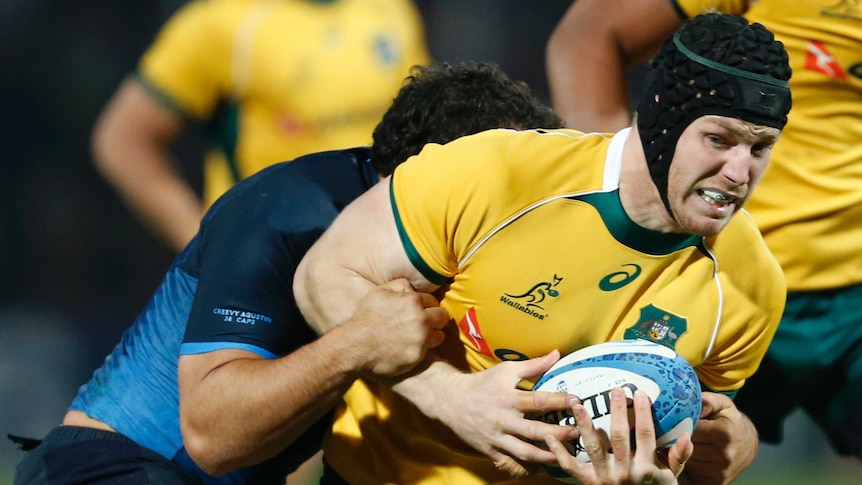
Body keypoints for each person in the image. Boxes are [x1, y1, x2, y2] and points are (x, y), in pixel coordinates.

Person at [11, 61, 571, 485]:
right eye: (509, 184)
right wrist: (356, 342)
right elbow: (211, 435)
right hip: (107, 467)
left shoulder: (445, 252)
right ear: (446, 176)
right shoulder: (288, 211)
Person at [294, 12, 793, 485]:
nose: (738, 172)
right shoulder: (500, 174)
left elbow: (686, 449)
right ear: (660, 122)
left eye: (759, 148)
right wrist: (447, 396)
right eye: (718, 139)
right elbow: (324, 275)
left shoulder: (751, 284)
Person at [546, 0, 862, 467]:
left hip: (853, 302)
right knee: (614, 461)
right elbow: (591, 35)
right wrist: (613, 206)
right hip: (711, 282)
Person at [91, 0, 431, 252]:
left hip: (387, 256)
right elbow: (122, 139)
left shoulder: (390, 8)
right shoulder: (220, 24)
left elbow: (421, 125)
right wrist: (202, 248)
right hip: (278, 269)